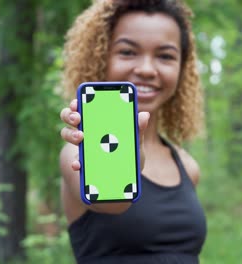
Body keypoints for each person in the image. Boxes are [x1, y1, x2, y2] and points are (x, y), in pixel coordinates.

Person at [59, 0, 206, 263]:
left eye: (165, 56)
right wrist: (129, 159)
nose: (147, 69)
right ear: (100, 57)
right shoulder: (77, 153)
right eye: (128, 52)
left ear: (182, 68)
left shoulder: (187, 166)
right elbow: (112, 202)